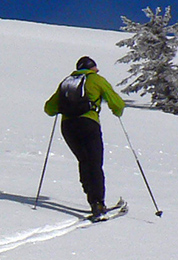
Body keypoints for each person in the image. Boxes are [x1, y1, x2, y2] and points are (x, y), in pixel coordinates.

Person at [44, 56, 126, 219]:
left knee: (84, 160)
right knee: (95, 162)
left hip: (68, 127)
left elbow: (49, 108)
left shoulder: (66, 82)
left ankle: (92, 200)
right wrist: (117, 111)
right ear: (91, 68)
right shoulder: (96, 80)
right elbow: (117, 104)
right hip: (88, 123)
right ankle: (98, 203)